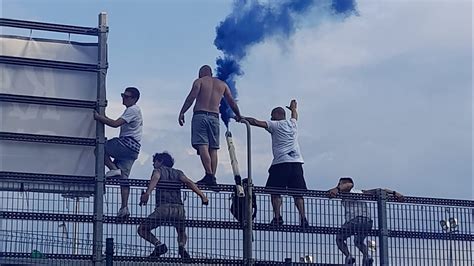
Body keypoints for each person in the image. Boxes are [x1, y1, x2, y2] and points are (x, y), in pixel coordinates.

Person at [243, 99, 309, 227]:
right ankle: (303, 219)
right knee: (298, 194)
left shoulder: (275, 125)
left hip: (281, 163)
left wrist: (241, 118)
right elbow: (295, 116)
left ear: (277, 115)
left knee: (274, 191)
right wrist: (294, 109)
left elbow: (256, 122)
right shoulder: (292, 124)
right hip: (297, 163)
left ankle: (278, 217)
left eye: (272, 116)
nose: (271, 118)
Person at [178, 65, 241, 187]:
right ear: (211, 73)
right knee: (213, 148)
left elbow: (191, 98)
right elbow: (231, 101)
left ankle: (209, 174)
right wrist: (238, 115)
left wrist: (182, 112)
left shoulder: (199, 82)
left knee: (203, 145)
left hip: (200, 115)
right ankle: (212, 176)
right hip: (214, 117)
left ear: (201, 73)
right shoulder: (222, 84)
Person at [138, 151, 209, 259]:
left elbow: (155, 178)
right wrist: (202, 196)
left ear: (160, 161)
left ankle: (159, 245)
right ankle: (181, 247)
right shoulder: (178, 172)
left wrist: (148, 193)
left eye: (154, 161)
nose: (153, 164)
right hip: (178, 208)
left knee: (142, 229)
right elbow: (188, 182)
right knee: (181, 231)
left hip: (163, 207)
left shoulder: (158, 170)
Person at [328, 177, 404, 265]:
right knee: (358, 241)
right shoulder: (361, 192)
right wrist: (395, 193)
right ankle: (367, 256)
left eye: (340, 184)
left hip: (354, 221)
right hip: (367, 222)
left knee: (339, 238)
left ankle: (349, 256)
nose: (338, 186)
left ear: (343, 184)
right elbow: (380, 190)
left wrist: (337, 189)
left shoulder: (345, 192)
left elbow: (349, 185)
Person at [94, 87, 143, 219]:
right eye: (123, 95)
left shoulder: (132, 110)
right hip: (134, 149)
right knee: (124, 178)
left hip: (127, 144)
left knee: (99, 147)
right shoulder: (135, 110)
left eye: (127, 96)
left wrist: (99, 117)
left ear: (134, 99)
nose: (123, 98)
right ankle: (124, 207)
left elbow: (115, 124)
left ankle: (113, 168)